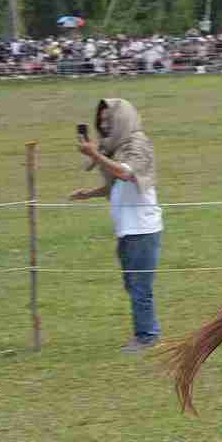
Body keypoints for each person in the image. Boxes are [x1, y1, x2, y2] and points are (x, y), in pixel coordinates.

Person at [69, 98, 164, 352]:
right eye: (101, 121)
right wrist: (90, 193)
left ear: (122, 119)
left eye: (108, 120)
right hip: (127, 228)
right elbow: (117, 184)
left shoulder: (137, 144)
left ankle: (146, 336)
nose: (104, 126)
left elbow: (126, 173)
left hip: (143, 229)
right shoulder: (116, 146)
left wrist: (95, 154)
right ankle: (146, 331)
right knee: (132, 284)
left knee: (139, 286)